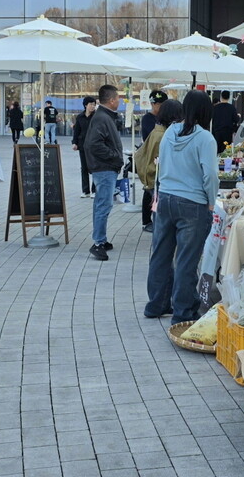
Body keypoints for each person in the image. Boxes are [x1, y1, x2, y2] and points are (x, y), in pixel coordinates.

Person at [144, 90, 218, 323]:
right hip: (193, 203)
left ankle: (156, 305)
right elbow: (211, 176)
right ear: (206, 112)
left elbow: (162, 166)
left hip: (165, 199)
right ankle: (183, 312)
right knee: (186, 260)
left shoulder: (169, 132)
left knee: (161, 254)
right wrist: (211, 202)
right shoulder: (205, 137)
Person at [84, 84, 124, 261]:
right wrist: (114, 156)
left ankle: (101, 239)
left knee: (101, 204)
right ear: (112, 100)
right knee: (103, 204)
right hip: (104, 168)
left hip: (105, 167)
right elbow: (93, 144)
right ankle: (98, 243)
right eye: (118, 98)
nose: (120, 101)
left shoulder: (104, 116)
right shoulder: (102, 118)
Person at [134, 99, 182, 233]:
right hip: (159, 181)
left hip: (154, 179)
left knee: (159, 218)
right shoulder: (164, 135)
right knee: (162, 222)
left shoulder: (158, 132)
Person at [71, 95, 97, 198]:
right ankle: (85, 191)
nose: (92, 106)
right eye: (91, 104)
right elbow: (76, 131)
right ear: (85, 105)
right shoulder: (80, 117)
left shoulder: (96, 117)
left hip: (94, 145)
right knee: (84, 168)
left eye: (94, 105)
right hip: (82, 145)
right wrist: (74, 142)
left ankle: (94, 190)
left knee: (94, 168)